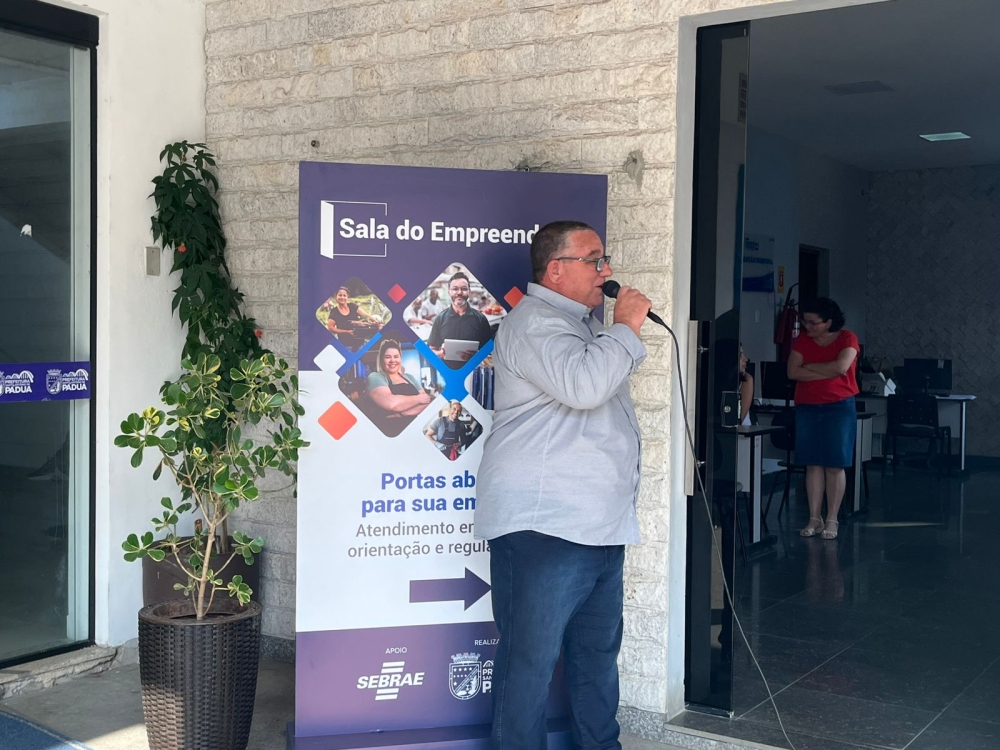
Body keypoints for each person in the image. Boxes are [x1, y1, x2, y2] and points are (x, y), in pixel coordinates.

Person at [475, 220, 651, 750]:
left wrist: (614, 332)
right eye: (594, 260)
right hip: (544, 529)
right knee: (529, 663)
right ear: (555, 269)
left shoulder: (584, 326)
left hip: (598, 526)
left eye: (604, 259)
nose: (606, 270)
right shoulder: (534, 322)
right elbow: (585, 386)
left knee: (596, 658)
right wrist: (626, 327)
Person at [787, 297, 859, 541]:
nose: (808, 326)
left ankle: (832, 518)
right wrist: (826, 369)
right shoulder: (802, 340)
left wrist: (810, 367)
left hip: (839, 406)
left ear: (828, 322)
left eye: (813, 322)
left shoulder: (847, 338)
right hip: (807, 406)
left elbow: (841, 368)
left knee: (834, 464)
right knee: (812, 463)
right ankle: (814, 518)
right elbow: (792, 372)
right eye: (805, 321)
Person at [427, 272, 494, 366]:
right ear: (449, 292)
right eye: (455, 289)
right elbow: (431, 350)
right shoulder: (440, 319)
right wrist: (440, 354)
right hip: (447, 370)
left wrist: (477, 356)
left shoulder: (480, 319)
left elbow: (490, 351)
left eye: (464, 289)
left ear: (469, 291)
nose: (459, 292)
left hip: (474, 369)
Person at [366, 339, 432, 428]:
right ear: (381, 359)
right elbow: (392, 403)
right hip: (389, 430)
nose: (392, 360)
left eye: (396, 356)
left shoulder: (410, 377)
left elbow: (426, 402)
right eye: (388, 357)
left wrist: (405, 413)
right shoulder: (375, 377)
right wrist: (418, 398)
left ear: (400, 358)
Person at [739, 344, 754, 426]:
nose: (746, 359)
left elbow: (738, 419)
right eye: (740, 355)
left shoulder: (746, 379)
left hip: (741, 432)